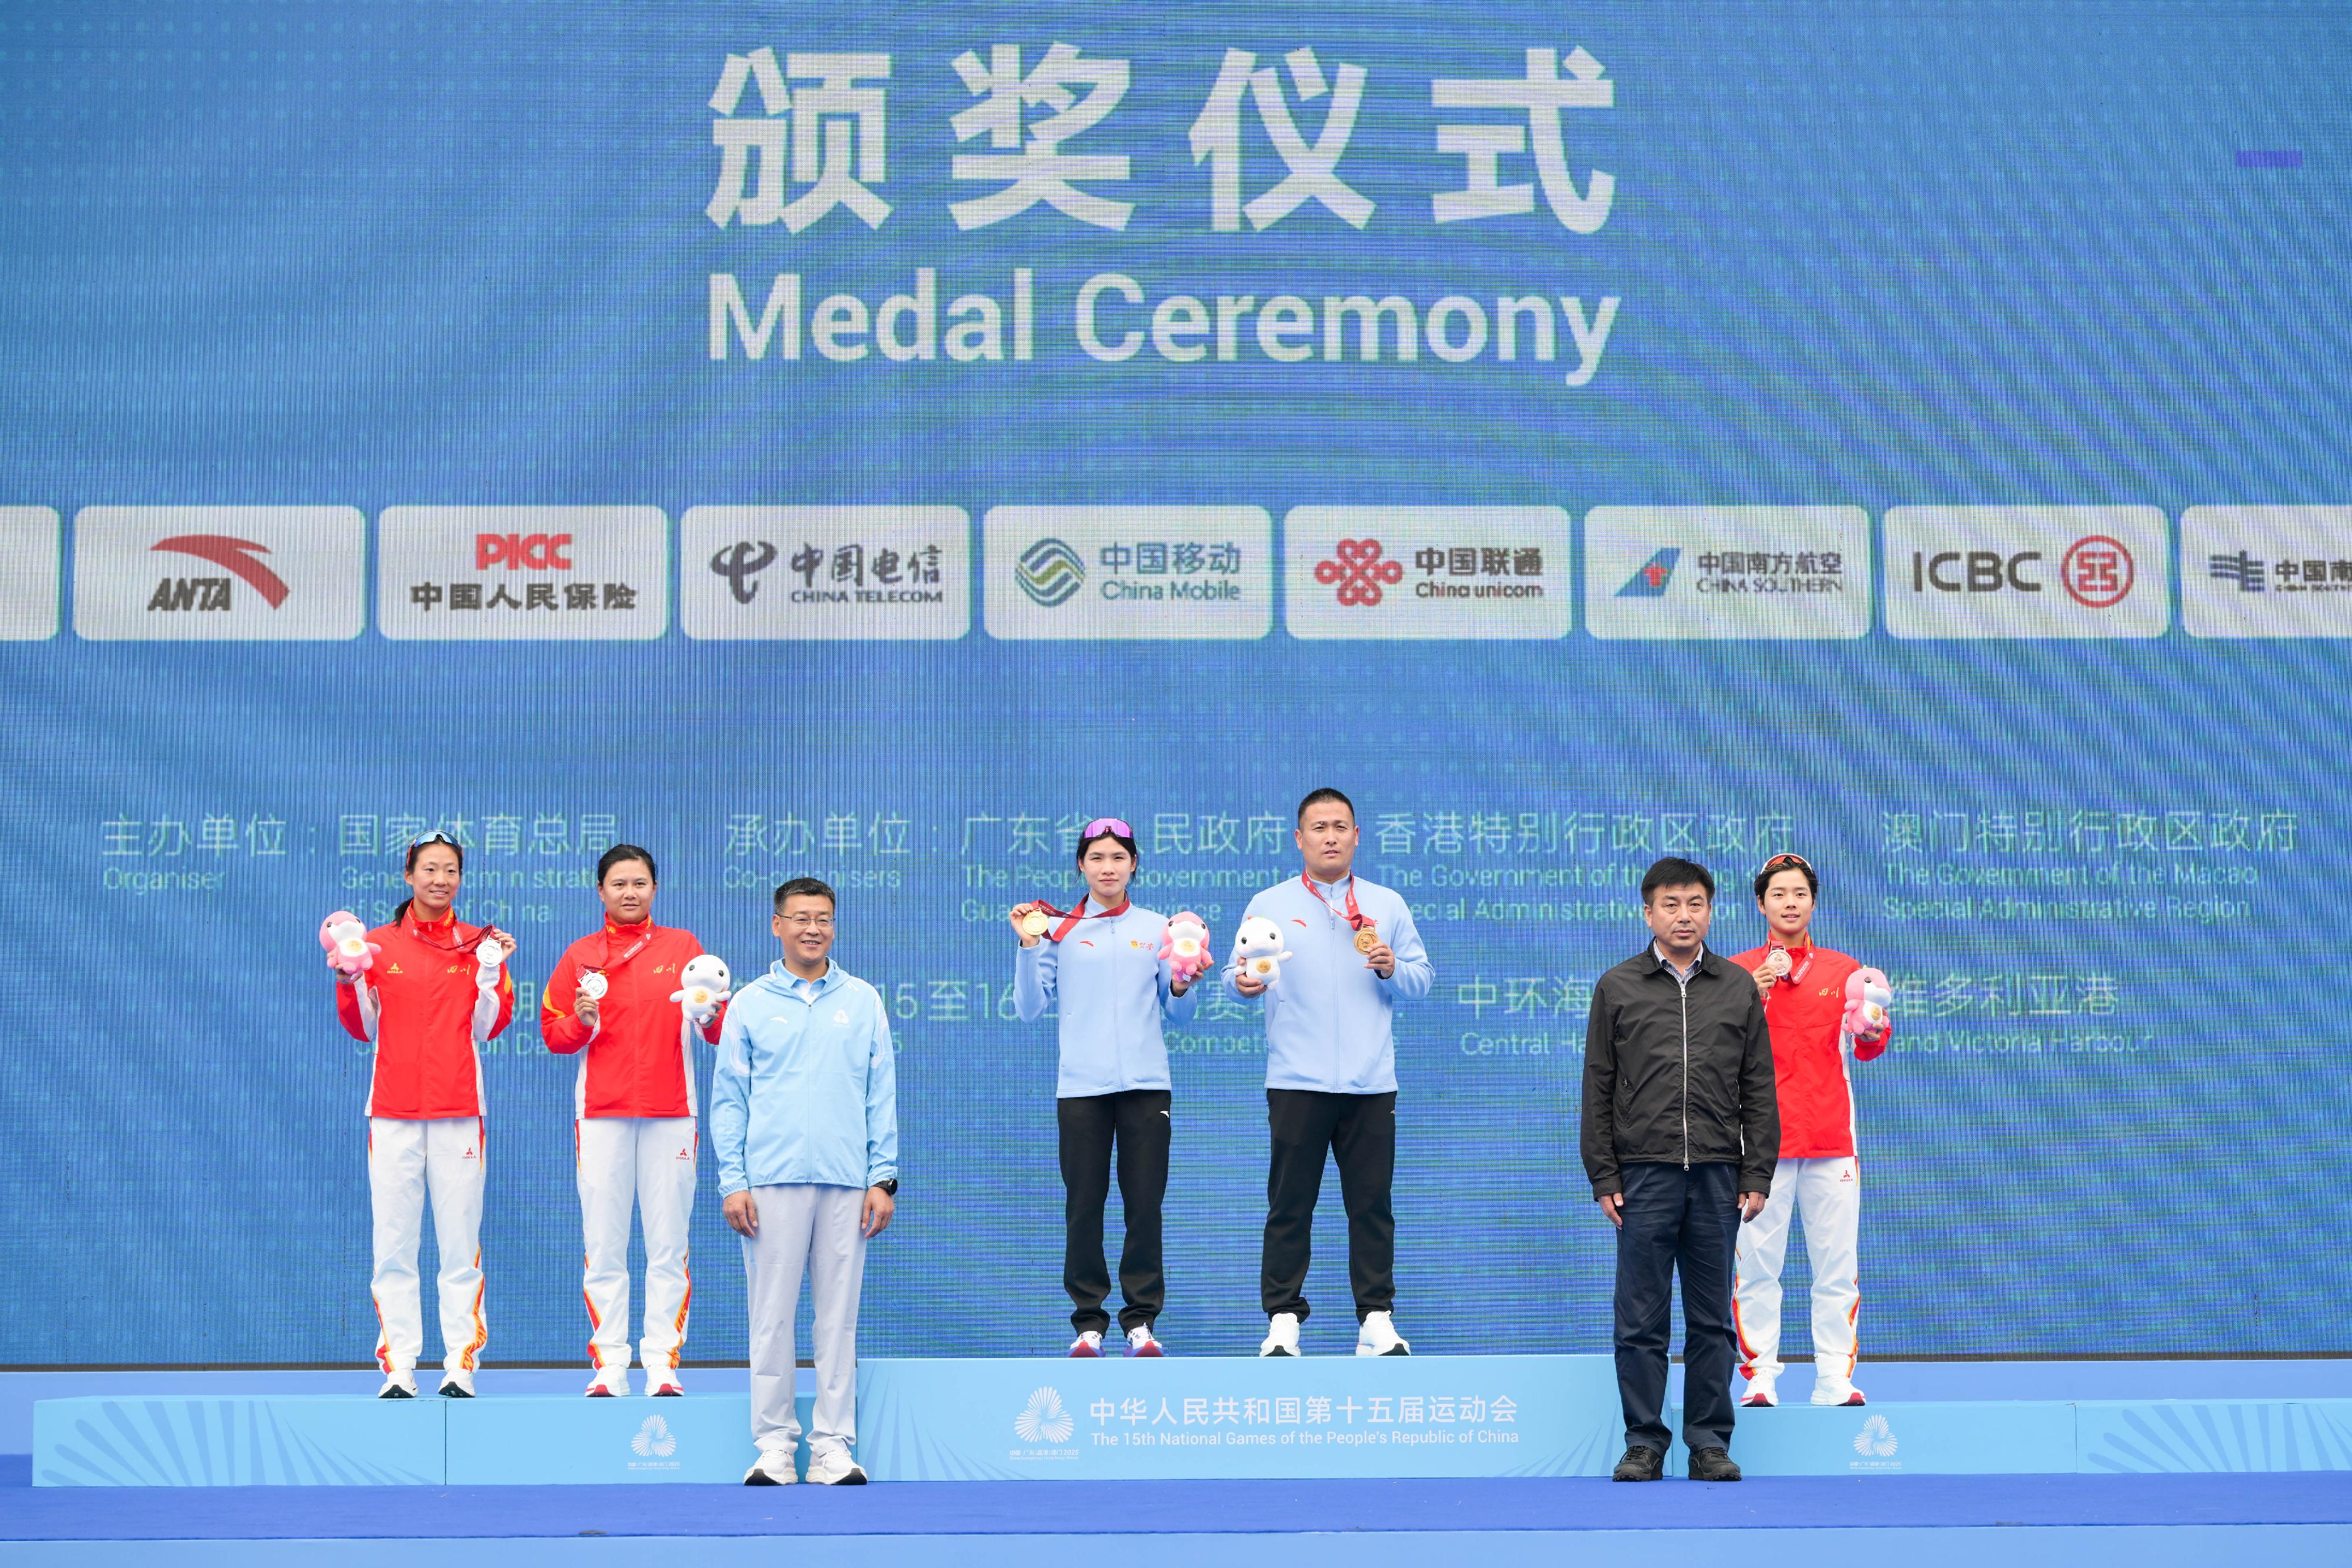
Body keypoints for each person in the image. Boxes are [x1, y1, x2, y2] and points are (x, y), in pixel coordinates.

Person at [1582, 857, 1776, 1483]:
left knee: (1712, 1319)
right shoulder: (1618, 986)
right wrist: (1603, 1175)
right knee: (1640, 1320)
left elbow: (1759, 1086)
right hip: (1643, 1174)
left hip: (1718, 1173)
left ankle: (1709, 1443)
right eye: (1670, 904)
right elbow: (1598, 1087)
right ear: (1648, 913)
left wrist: (1757, 1171)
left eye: (1694, 903)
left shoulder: (1737, 987)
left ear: (1710, 911)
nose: (1683, 915)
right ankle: (1643, 1442)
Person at [1228, 787, 1432, 1358]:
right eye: (1318, 827)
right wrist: (1241, 984)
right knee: (1289, 1205)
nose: (1330, 836)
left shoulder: (1386, 904)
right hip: (1296, 1078)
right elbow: (1235, 973)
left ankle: (1375, 1317)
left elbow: (1422, 977)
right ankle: (1283, 1319)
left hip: (1371, 1083)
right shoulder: (1268, 901)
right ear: (1299, 838)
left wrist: (1394, 967)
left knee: (1371, 1206)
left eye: (1340, 826)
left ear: (1357, 835)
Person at [714, 878, 897, 1486]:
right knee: (770, 1319)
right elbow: (730, 1101)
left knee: (837, 1320)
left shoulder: (864, 1001)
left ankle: (832, 1447)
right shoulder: (749, 1003)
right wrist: (732, 1181)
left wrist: (883, 1178)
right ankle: (773, 1445)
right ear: (777, 926)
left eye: (822, 918)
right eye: (799, 918)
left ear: (834, 926)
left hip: (848, 1183)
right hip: (770, 1183)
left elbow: (881, 1096)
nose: (811, 928)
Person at [330, 830, 516, 1399]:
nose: (440, 880)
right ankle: (399, 1366)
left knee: (460, 1246)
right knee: (394, 1246)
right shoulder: (376, 944)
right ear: (409, 876)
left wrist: (490, 971)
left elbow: (489, 1026)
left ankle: (460, 1363)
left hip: (460, 1110)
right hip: (392, 1112)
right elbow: (362, 1027)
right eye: (430, 869)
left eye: (451, 870)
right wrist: (349, 977)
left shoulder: (480, 943)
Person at [541, 844, 730, 1398]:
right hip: (601, 1114)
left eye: (640, 883)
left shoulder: (684, 948)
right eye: (619, 883)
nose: (630, 892)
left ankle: (662, 1362)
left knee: (668, 1244)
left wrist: (711, 1014)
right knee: (604, 1244)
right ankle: (609, 1363)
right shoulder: (581, 955)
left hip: (672, 1111)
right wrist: (580, 1021)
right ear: (600, 890)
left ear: (655, 889)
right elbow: (555, 1035)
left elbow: (715, 1031)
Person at [1011, 818, 1200, 1358]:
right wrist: (1027, 947)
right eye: (1097, 858)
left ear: (1134, 863)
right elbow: (1029, 1008)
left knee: (1145, 1206)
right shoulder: (1059, 929)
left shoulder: (1158, 926)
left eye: (1118, 857)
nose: (1108, 867)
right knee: (1084, 1206)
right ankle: (1088, 1324)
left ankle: (1140, 1322)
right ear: (1081, 865)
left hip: (1146, 1087)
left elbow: (1180, 1013)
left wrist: (1183, 982)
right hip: (1081, 1089)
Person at [1729, 852, 1892, 1408]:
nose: (1790, 903)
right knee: (1756, 1268)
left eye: (1799, 893)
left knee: (1836, 1268)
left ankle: (1832, 1378)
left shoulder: (1847, 972)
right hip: (1759, 1147)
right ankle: (1761, 1377)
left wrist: (1872, 1028)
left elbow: (1869, 1046)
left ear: (1813, 902)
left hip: (1829, 1141)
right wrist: (1749, 991)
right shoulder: (1737, 972)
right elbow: (1713, 1048)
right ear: (1761, 903)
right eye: (1779, 893)